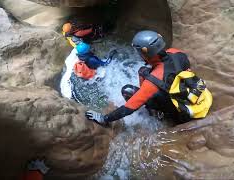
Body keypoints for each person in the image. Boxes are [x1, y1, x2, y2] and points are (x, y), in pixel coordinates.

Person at [85, 30, 213, 126]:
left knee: (128, 90)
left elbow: (129, 108)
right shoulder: (177, 52)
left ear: (145, 53)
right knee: (143, 71)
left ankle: (158, 113)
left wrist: (104, 118)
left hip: (178, 112)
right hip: (189, 94)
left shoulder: (153, 81)